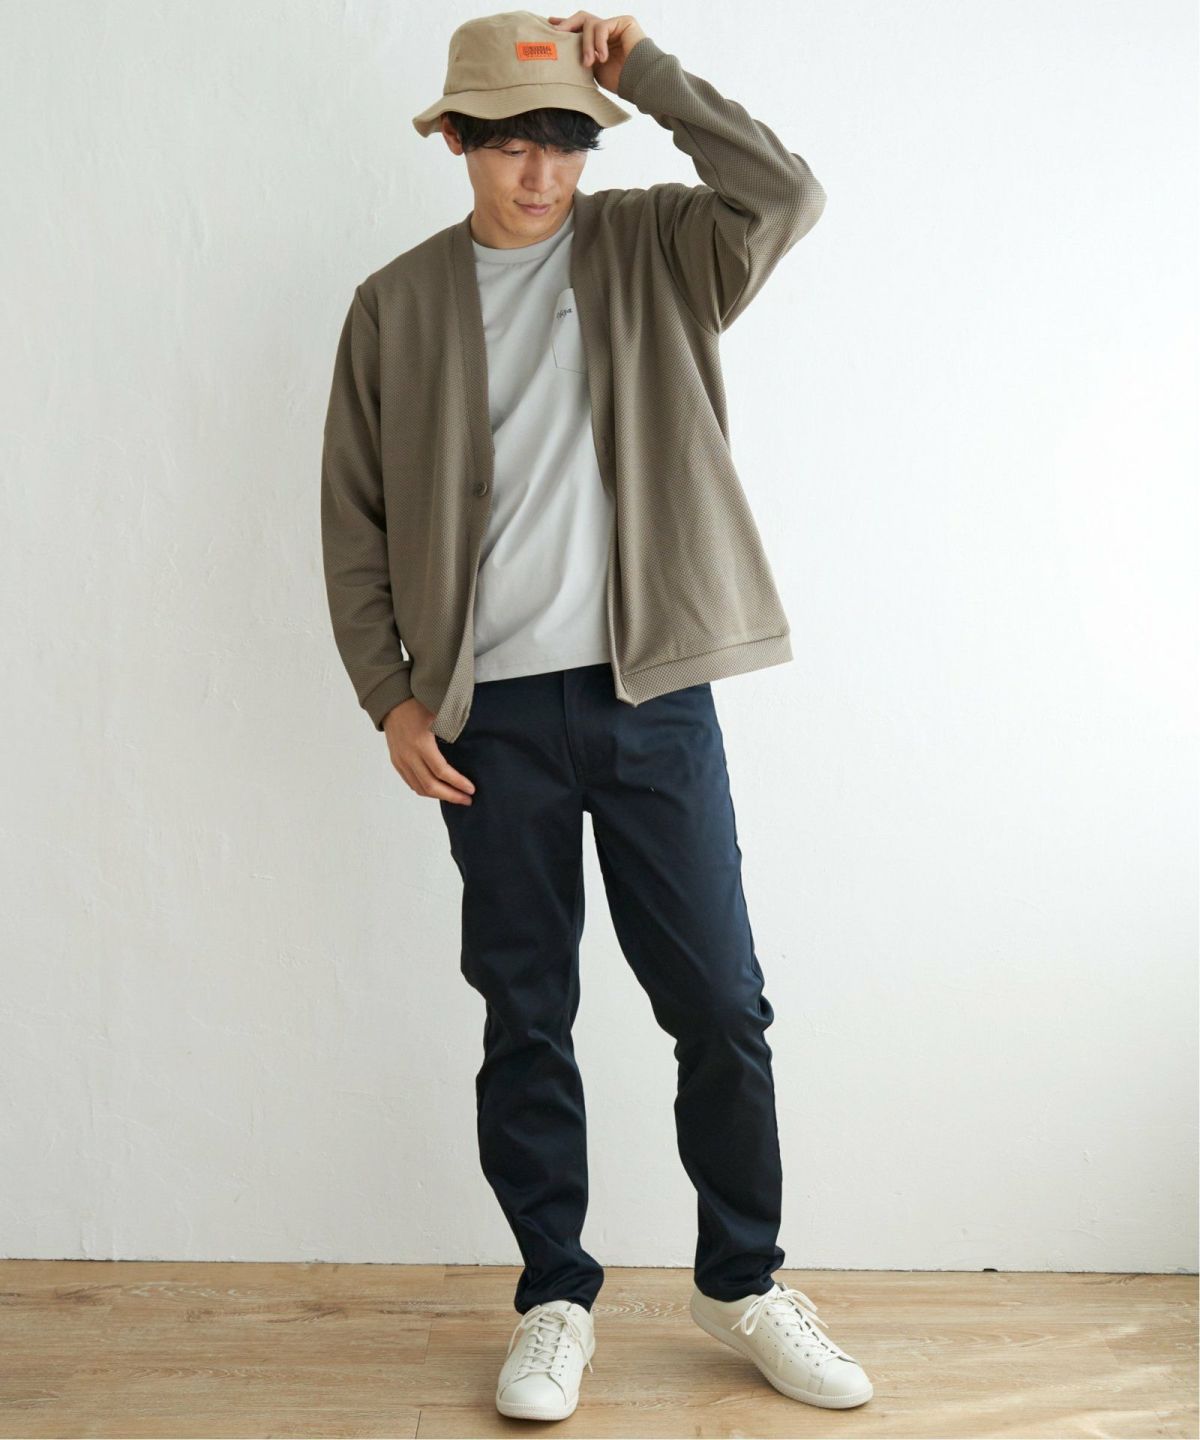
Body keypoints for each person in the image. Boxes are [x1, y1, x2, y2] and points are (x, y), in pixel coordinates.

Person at [320, 6, 873, 1422]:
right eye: (512, 142)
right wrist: (391, 696)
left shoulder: (657, 248)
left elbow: (786, 194)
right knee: (527, 1012)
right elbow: (354, 519)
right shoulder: (395, 305)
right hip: (488, 720)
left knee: (721, 1006)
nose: (542, 174)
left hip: (653, 696)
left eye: (566, 141)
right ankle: (554, 1297)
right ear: (457, 140)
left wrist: (653, 79)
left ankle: (742, 1281)